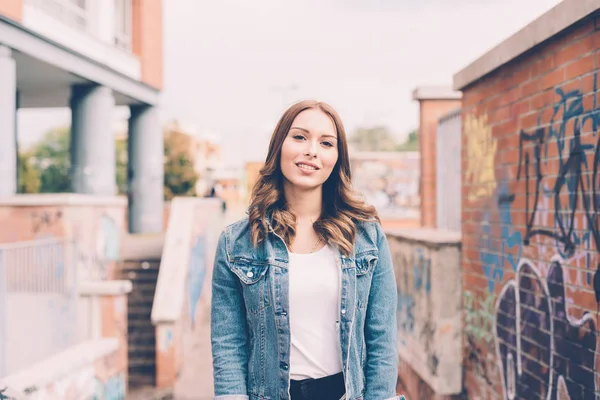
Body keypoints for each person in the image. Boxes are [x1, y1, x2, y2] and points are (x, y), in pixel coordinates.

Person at [210, 100, 401, 400]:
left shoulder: (366, 237)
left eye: (326, 143)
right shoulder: (237, 243)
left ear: (337, 158)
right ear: (279, 147)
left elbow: (382, 339)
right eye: (300, 137)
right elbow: (228, 342)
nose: (312, 150)